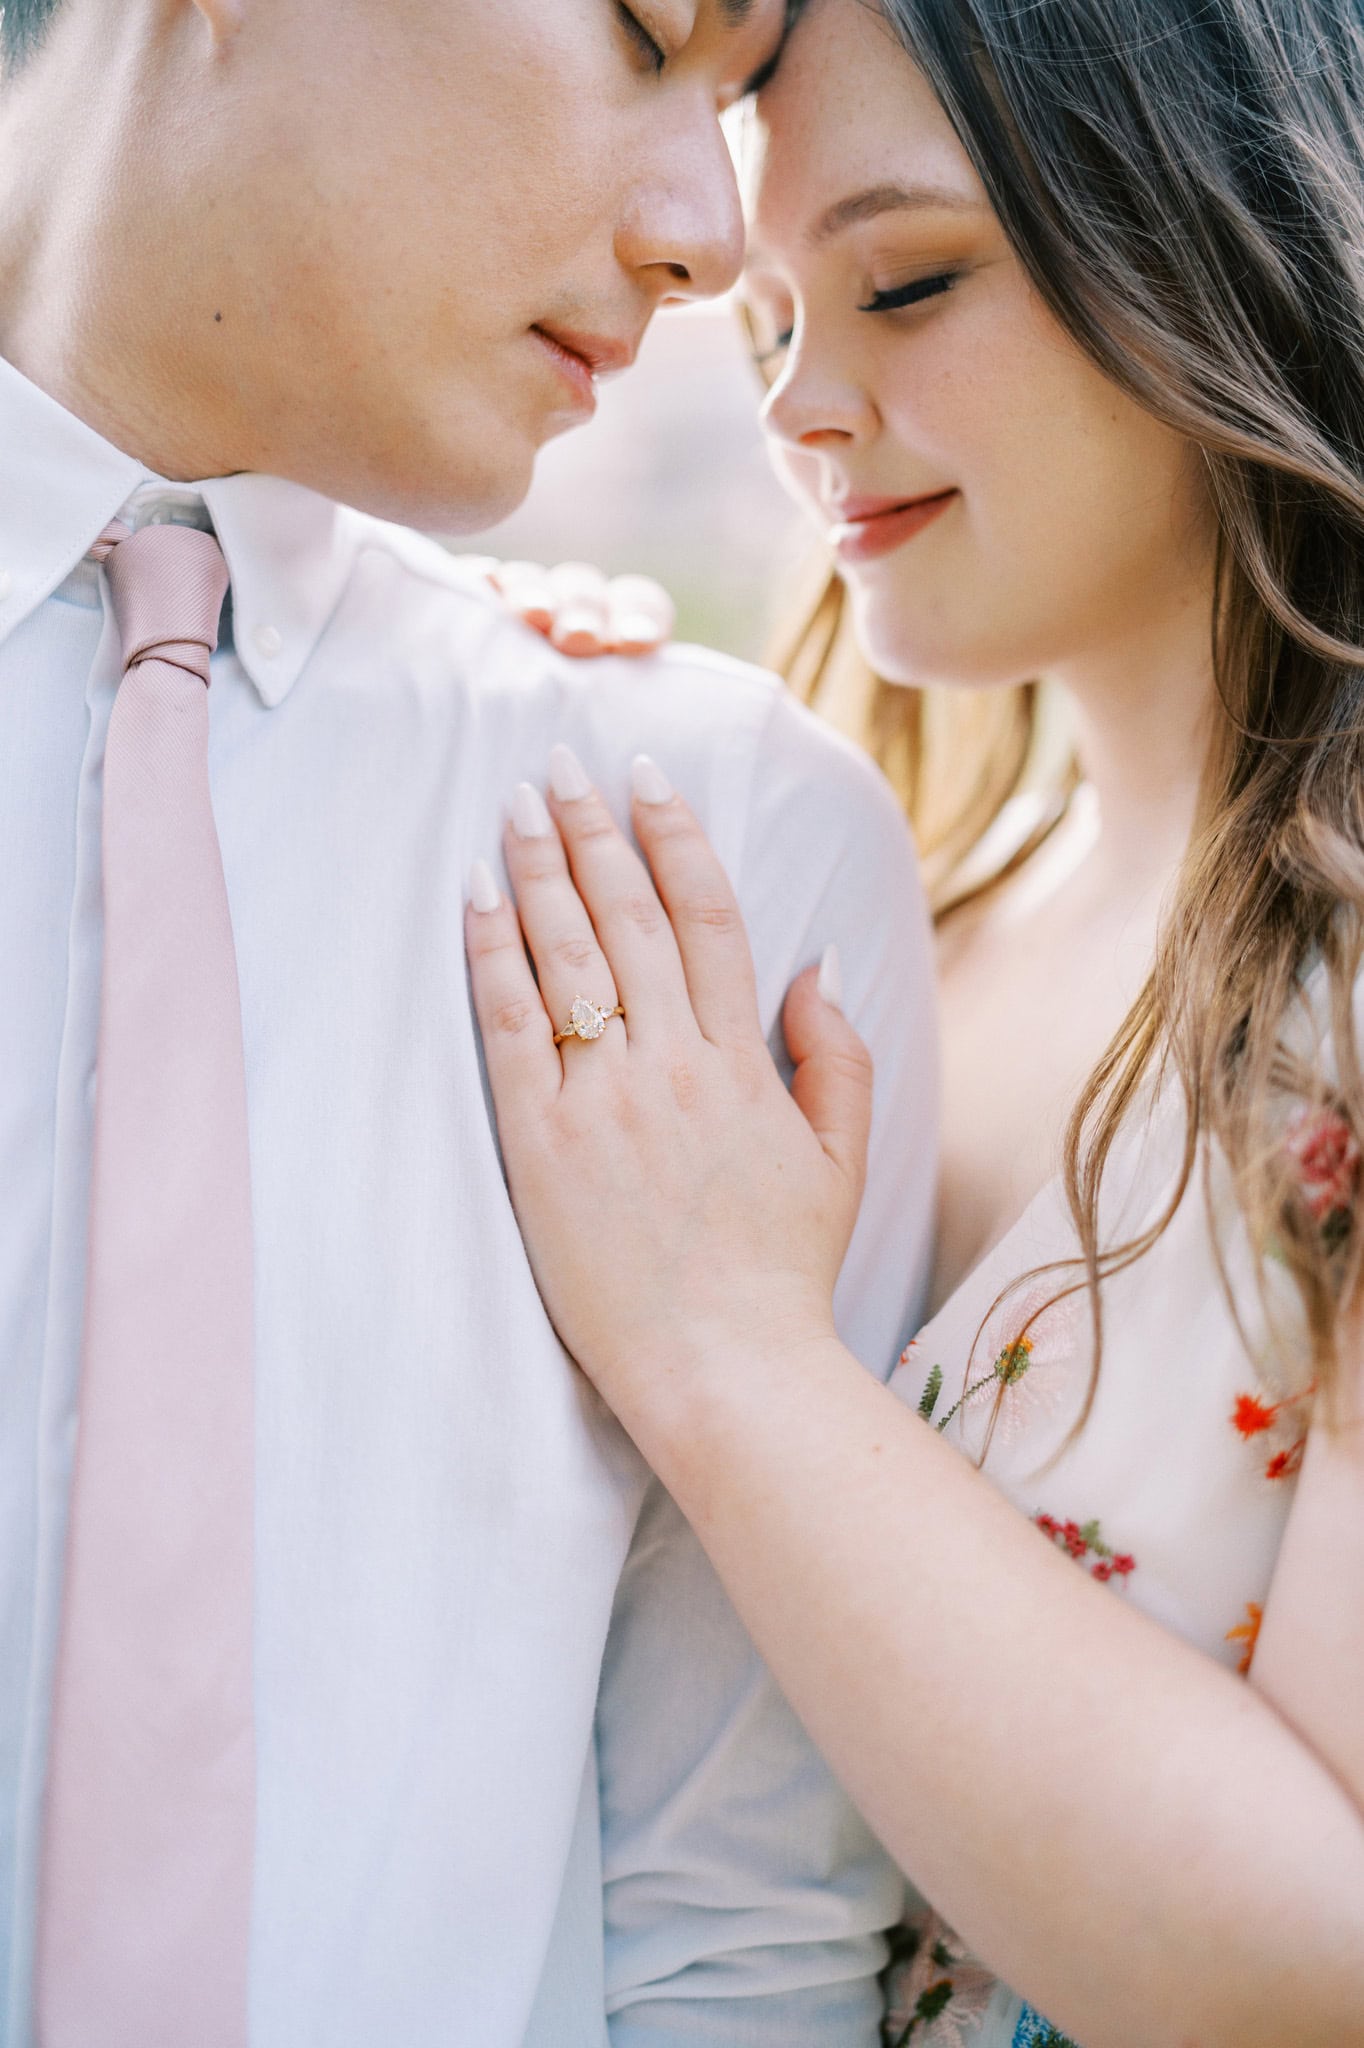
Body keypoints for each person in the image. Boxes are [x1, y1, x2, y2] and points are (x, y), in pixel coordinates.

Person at [0, 2, 943, 2042]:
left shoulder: (724, 856)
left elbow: (734, 1934)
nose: (708, 237)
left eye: (732, 105)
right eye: (644, 28)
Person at [466, 0, 1364, 2042]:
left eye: (906, 283)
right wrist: (492, 757)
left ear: (1207, 221)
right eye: (771, 326)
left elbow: (1332, 1957)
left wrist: (734, 1357)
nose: (800, 405)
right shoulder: (882, 929)